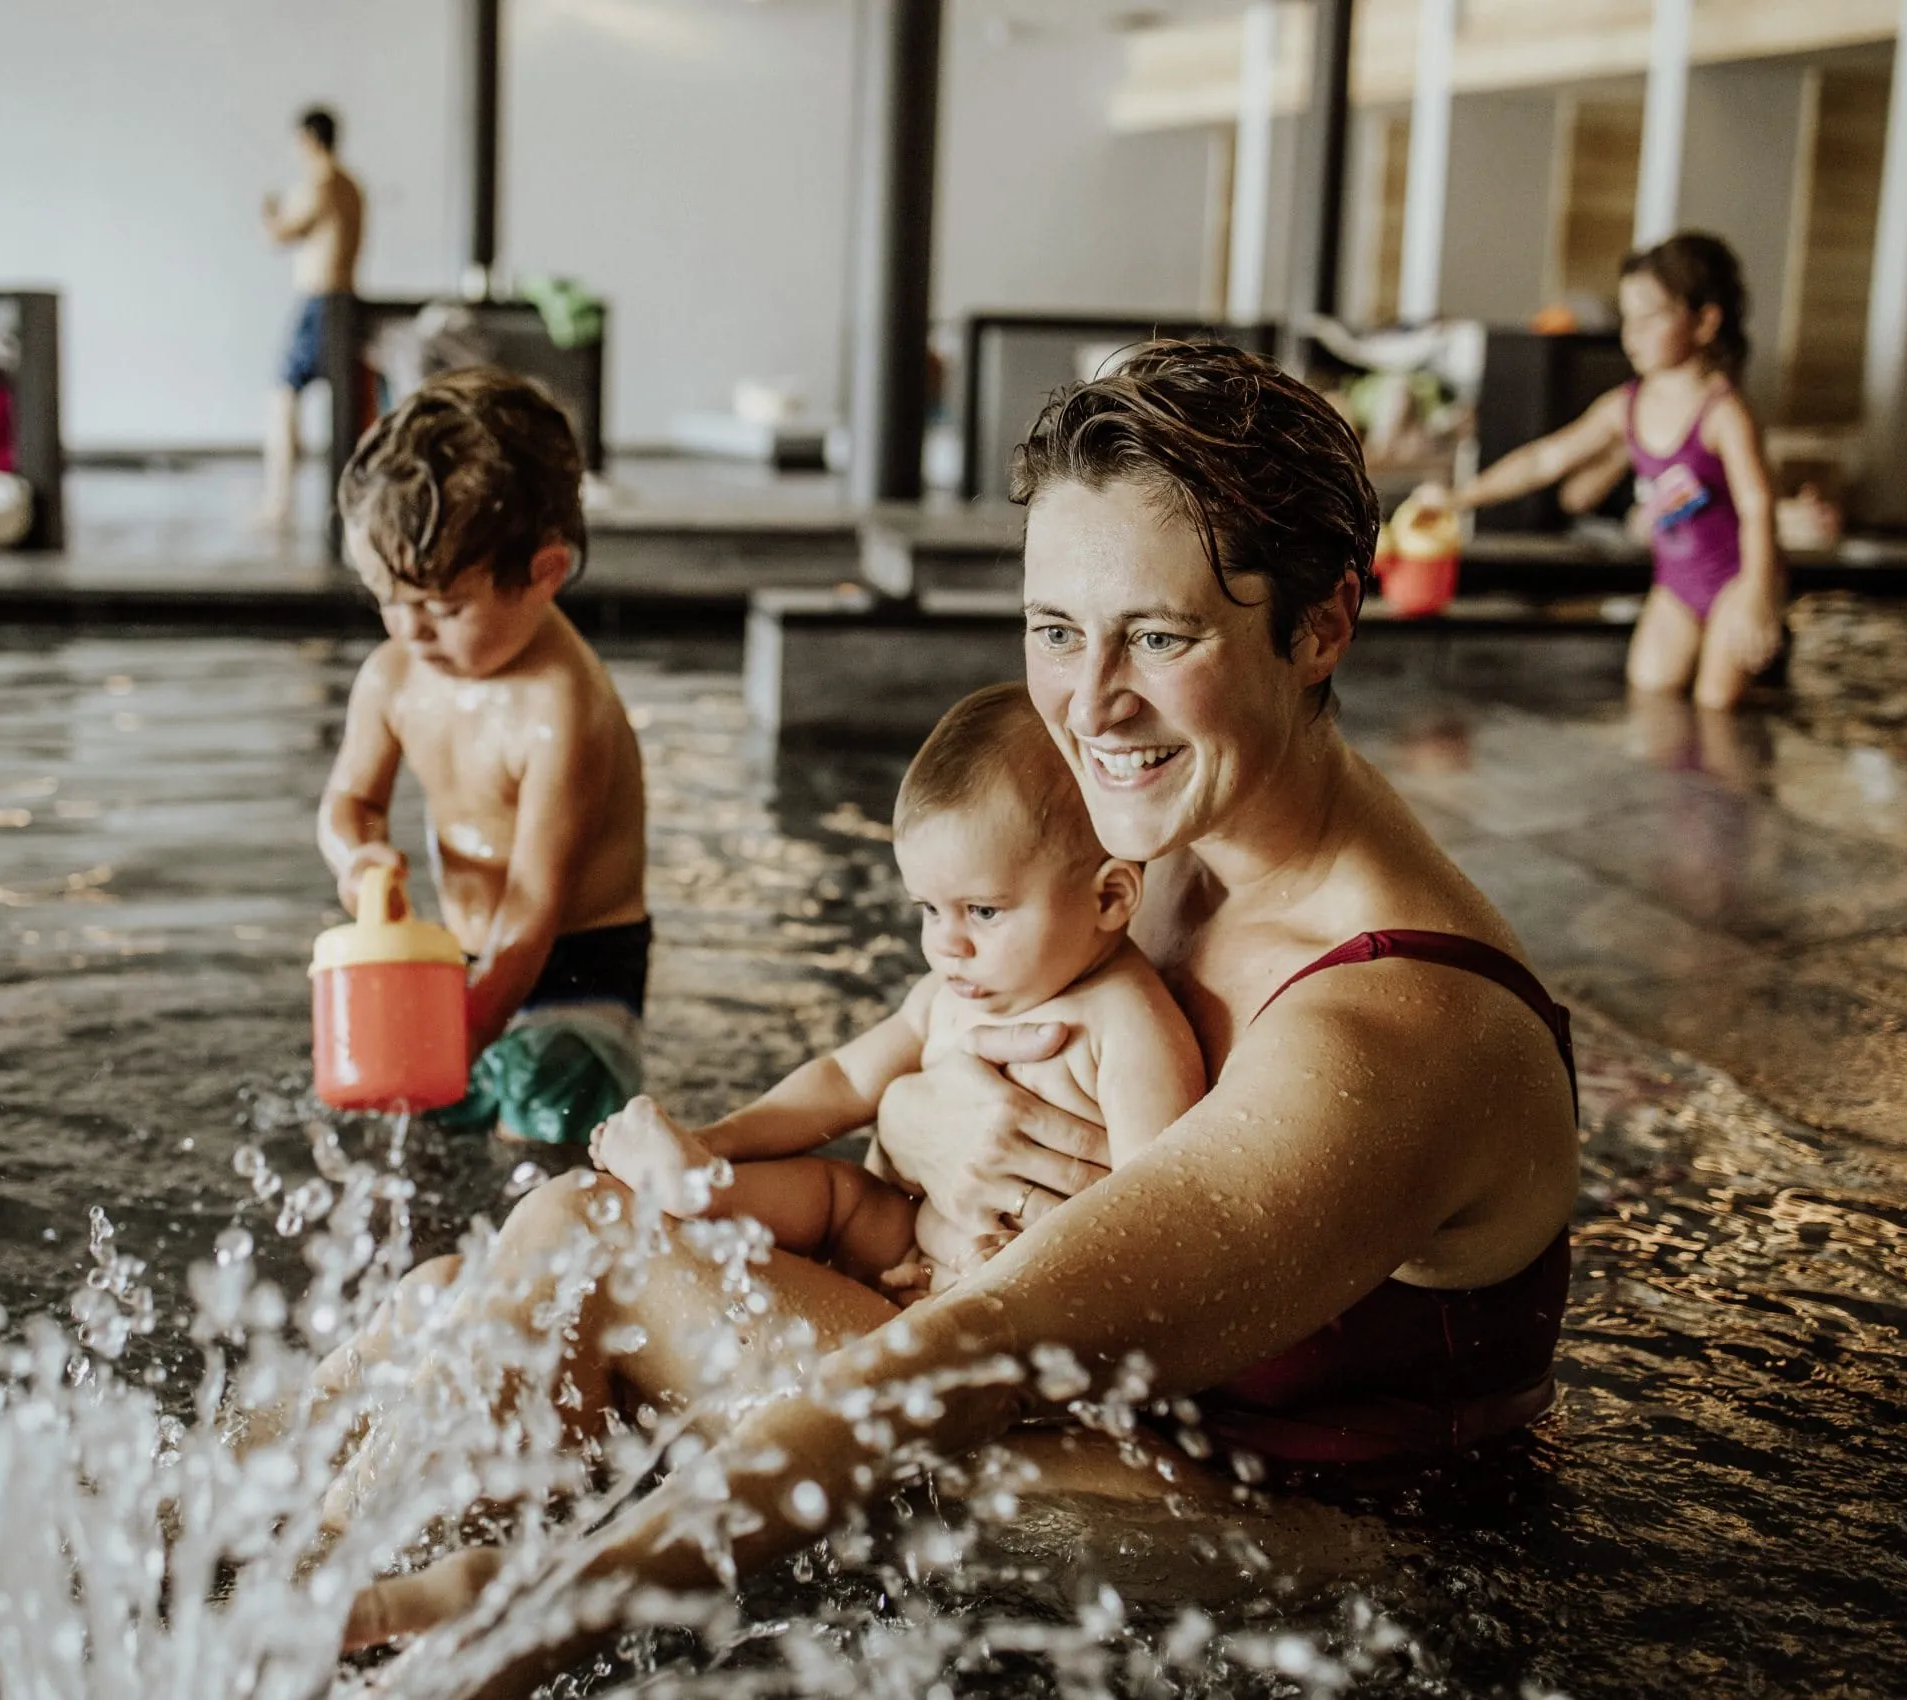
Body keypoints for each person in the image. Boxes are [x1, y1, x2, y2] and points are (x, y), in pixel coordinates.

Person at [336, 343, 1580, 1687]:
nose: (1087, 704)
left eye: (1158, 639)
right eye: (1054, 630)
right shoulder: (1153, 850)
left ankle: (445, 1623)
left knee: (581, 1245)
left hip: (1317, 1569)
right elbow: (924, 1081)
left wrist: (551, 1618)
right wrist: (923, 1124)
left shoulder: (1392, 1022)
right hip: (1089, 1434)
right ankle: (284, 1572)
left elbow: (983, 1347)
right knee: (448, 1298)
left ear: (1324, 622)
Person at [590, 682, 1206, 1298]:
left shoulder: (1128, 1028)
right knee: (836, 1196)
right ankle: (699, 1182)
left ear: (1110, 898)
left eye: (983, 912)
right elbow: (841, 1082)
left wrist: (1021, 1282)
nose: (946, 944)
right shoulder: (950, 991)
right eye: (929, 910)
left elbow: (1154, 1223)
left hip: (1008, 1300)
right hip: (904, 1243)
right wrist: (714, 1138)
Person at [318, 366, 650, 1144]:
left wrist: (460, 1038)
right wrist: (356, 858)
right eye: (388, 600)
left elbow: (532, 911)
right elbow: (348, 805)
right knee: (384, 1115)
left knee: (541, 1116)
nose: (411, 631)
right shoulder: (394, 677)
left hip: (575, 970)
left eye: (444, 607)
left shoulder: (561, 707)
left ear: (544, 575)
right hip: (459, 956)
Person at [1416, 232, 1783, 710]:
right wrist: (1459, 497)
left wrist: (1758, 593)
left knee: (1716, 705)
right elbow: (1545, 459)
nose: (1632, 335)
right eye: (1627, 319)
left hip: (1737, 579)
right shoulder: (1625, 406)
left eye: (1650, 319)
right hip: (1675, 584)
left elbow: (1758, 505)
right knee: (1651, 692)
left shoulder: (1722, 411)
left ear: (1705, 321)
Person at [259, 105, 366, 532]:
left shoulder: (321, 184)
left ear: (306, 139)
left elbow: (281, 235)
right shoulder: (353, 187)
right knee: (320, 400)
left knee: (282, 396)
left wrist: (268, 211)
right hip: (343, 299)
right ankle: (303, 491)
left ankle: (278, 501)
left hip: (319, 301)